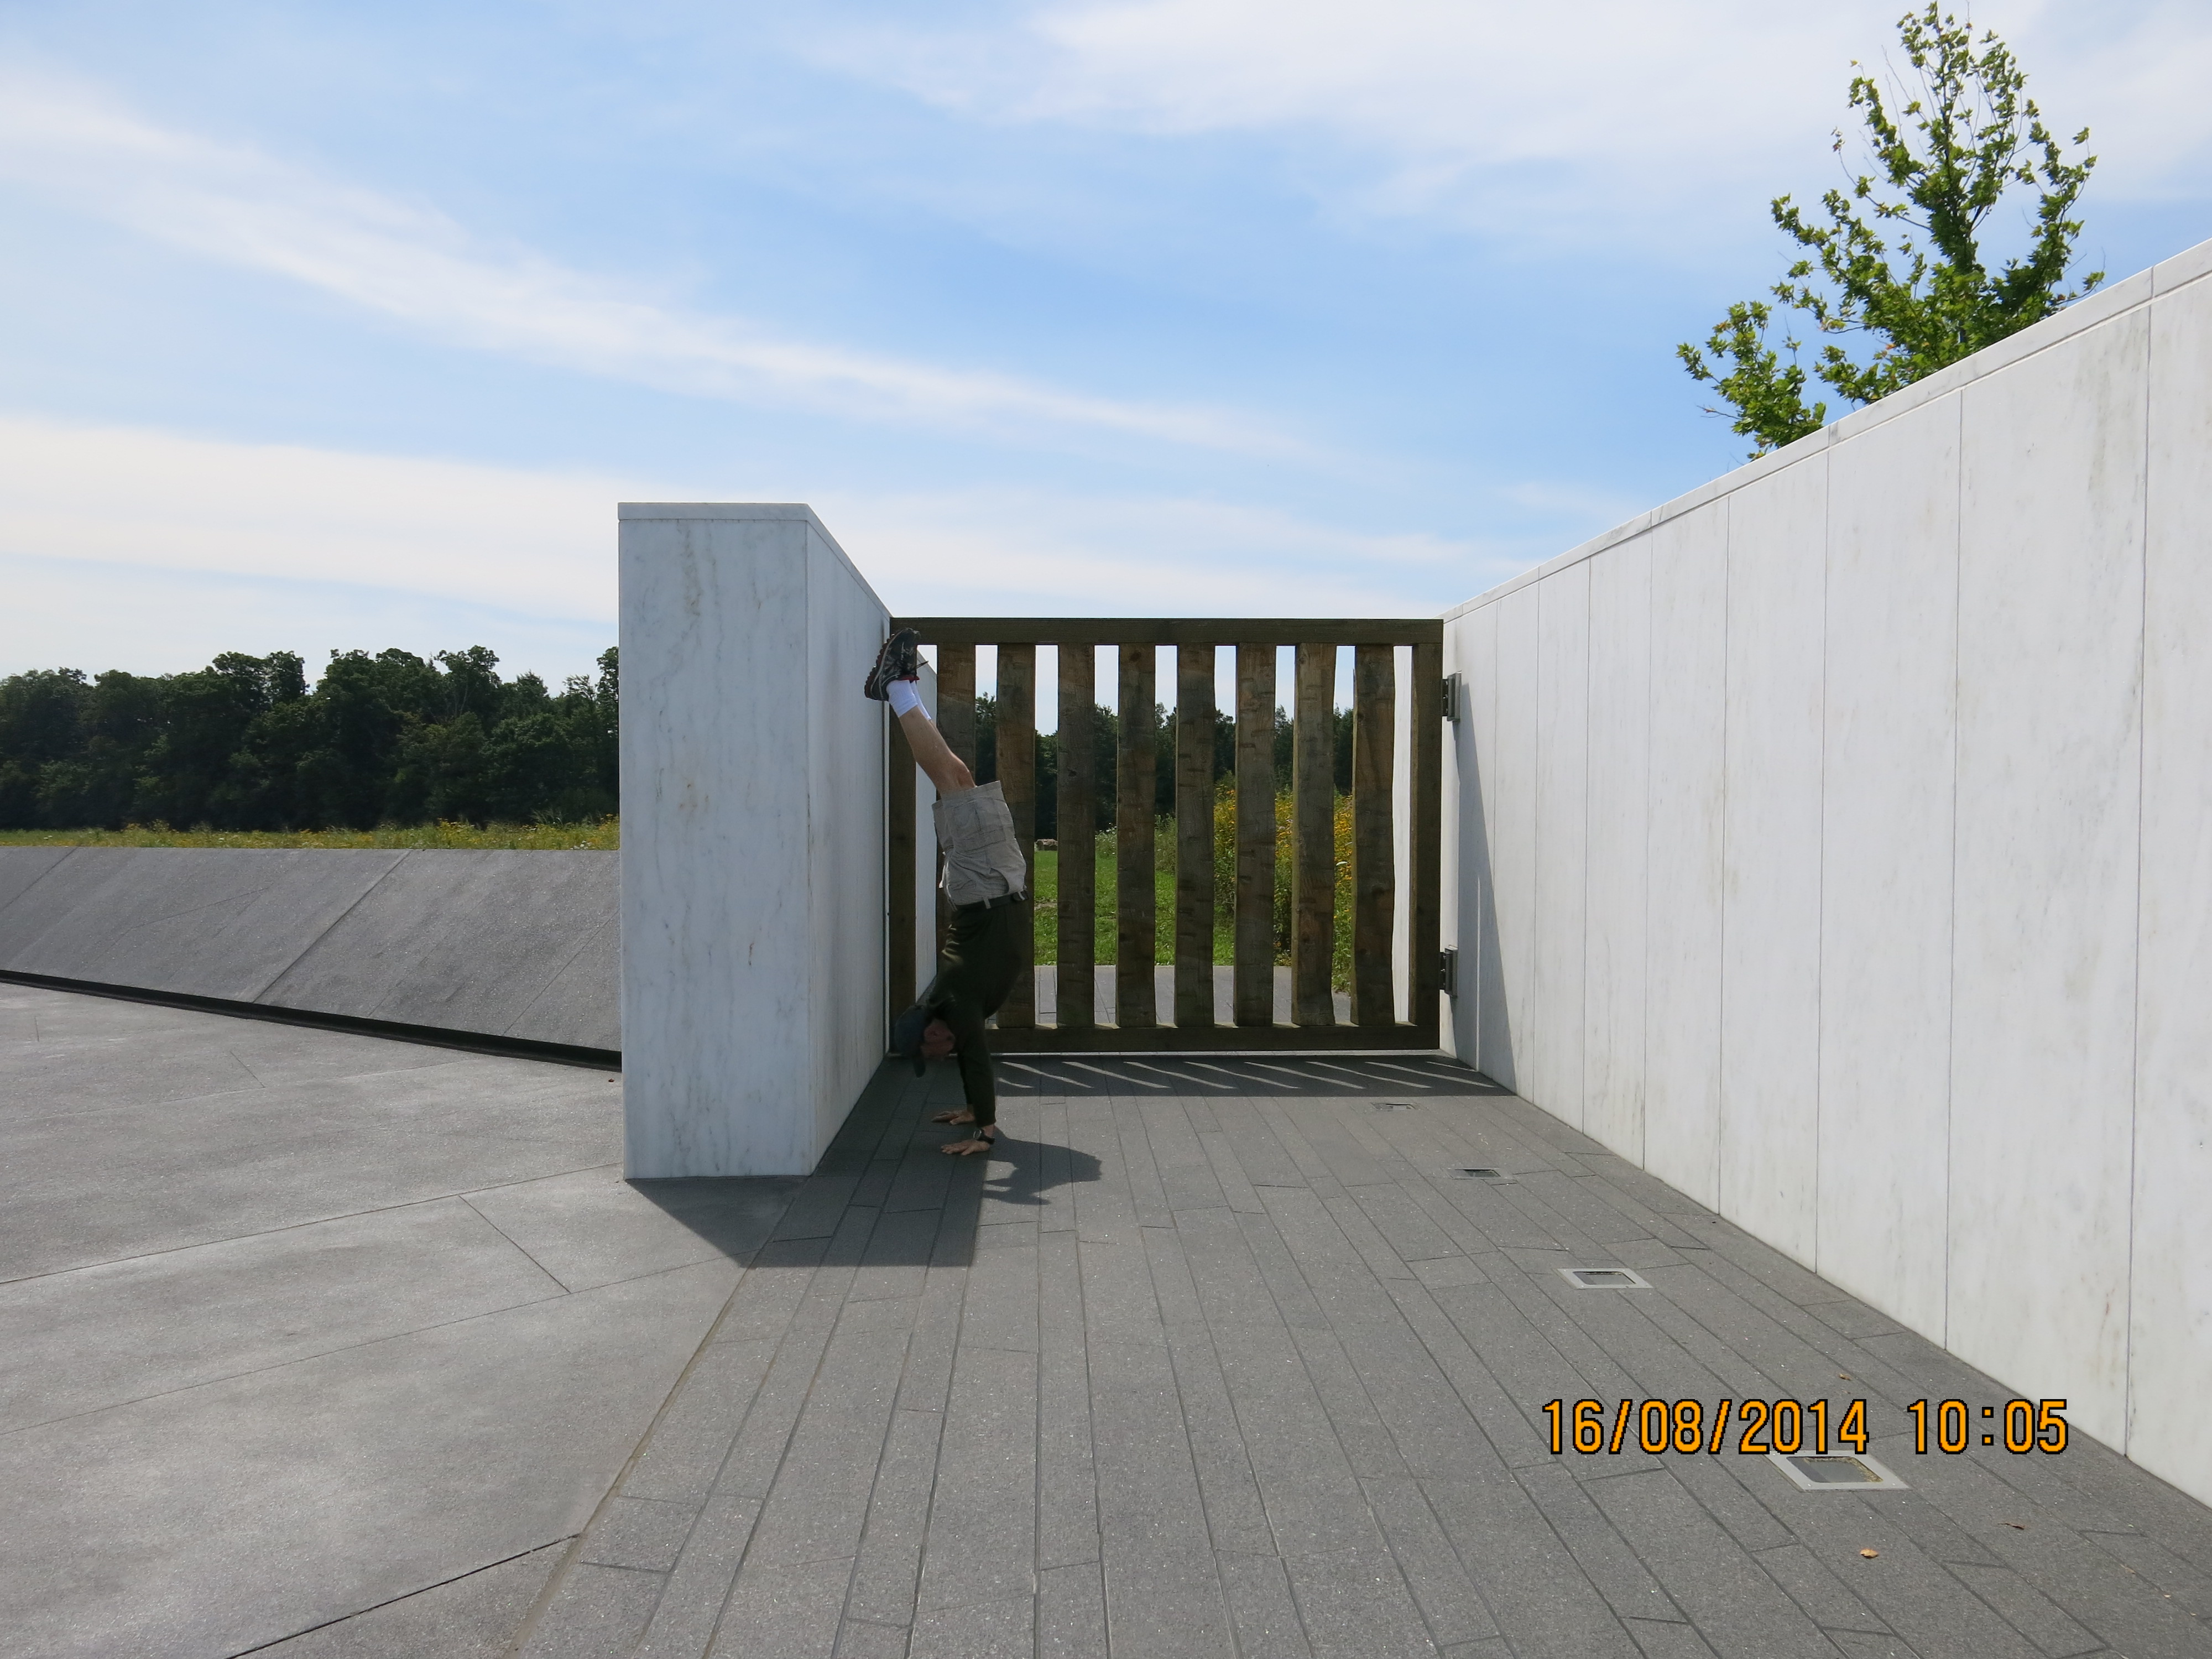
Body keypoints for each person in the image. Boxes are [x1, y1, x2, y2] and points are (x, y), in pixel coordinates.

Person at [868, 627, 1028, 1155]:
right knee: (956, 776)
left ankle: (897, 687)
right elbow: (968, 1056)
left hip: (986, 883)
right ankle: (901, 688)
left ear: (933, 1032)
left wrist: (984, 1133)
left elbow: (975, 1059)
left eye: (927, 1052)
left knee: (953, 780)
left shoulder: (955, 1007)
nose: (932, 1059)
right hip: (988, 885)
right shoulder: (951, 1008)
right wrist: (975, 1112)